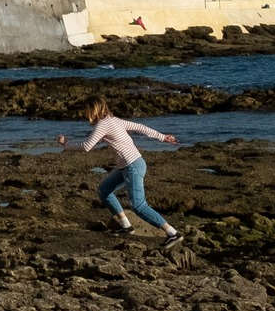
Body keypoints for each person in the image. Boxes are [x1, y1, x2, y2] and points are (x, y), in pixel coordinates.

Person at [58, 98, 182, 248]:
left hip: (132, 166)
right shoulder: (113, 120)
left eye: (86, 111)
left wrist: (66, 144)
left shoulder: (103, 124)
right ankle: (126, 227)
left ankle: (173, 233)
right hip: (128, 166)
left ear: (93, 110)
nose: (85, 114)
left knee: (138, 205)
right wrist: (162, 137)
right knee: (104, 190)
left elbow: (86, 146)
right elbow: (140, 127)